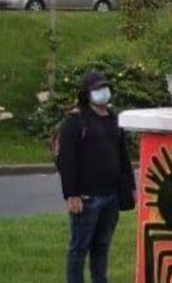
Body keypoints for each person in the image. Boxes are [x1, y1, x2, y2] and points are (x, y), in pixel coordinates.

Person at [58, 71, 136, 283]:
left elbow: (123, 155)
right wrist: (71, 194)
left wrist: (130, 186)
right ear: (87, 94)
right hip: (86, 198)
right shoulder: (75, 122)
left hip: (111, 196)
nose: (103, 92)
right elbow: (66, 162)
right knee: (79, 248)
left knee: (101, 246)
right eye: (97, 89)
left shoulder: (113, 119)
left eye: (105, 87)